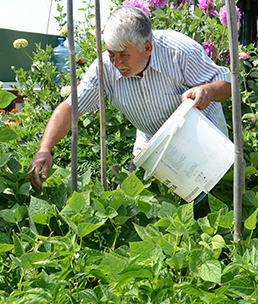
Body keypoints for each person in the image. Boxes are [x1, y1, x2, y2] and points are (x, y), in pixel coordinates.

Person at [28, 6, 231, 189]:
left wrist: (208, 91)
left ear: (147, 48)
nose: (116, 62)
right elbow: (71, 108)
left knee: (210, 207)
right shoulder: (104, 68)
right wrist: (45, 148)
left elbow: (228, 83)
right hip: (153, 149)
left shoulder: (179, 52)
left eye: (124, 55)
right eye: (110, 53)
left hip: (206, 145)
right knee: (141, 211)